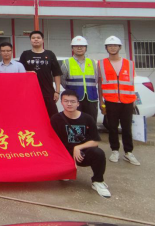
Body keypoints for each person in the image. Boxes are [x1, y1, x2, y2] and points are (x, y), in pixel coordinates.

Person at [51, 90, 110, 198]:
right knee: (62, 174)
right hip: (64, 154)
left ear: (78, 103)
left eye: (73, 101)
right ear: (61, 102)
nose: (69, 104)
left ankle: (98, 181)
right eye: (66, 101)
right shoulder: (56, 119)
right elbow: (52, 141)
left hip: (82, 154)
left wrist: (78, 147)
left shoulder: (87, 118)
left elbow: (95, 141)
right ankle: (65, 170)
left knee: (98, 153)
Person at [98, 36, 140, 166]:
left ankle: (128, 152)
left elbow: (132, 83)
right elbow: (100, 83)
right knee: (112, 127)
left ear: (120, 47)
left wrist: (135, 100)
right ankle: (115, 150)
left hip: (127, 101)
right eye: (110, 46)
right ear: (106, 48)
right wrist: (101, 101)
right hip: (110, 101)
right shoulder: (101, 64)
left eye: (115, 45)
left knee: (127, 128)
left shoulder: (130, 64)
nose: (112, 48)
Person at [19, 31, 62, 118]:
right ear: (30, 40)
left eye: (38, 38)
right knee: (32, 115)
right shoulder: (25, 54)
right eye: (33, 38)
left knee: (52, 115)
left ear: (43, 40)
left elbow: (56, 73)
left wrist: (57, 91)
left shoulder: (50, 54)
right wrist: (28, 72)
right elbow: (19, 72)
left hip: (48, 91)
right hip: (30, 92)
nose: (36, 40)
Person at [60, 36, 99, 122]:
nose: (79, 48)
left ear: (86, 48)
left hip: (91, 97)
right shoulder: (67, 63)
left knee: (91, 121)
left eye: (82, 46)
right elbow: (62, 80)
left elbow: (96, 80)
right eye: (76, 46)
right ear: (72, 48)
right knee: (75, 121)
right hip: (74, 98)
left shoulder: (93, 62)